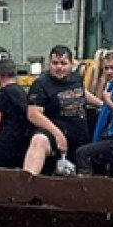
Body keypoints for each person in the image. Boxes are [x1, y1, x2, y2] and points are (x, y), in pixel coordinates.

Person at [23, 45, 89, 175]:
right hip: (52, 135)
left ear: (71, 63)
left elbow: (81, 93)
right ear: (49, 63)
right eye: (55, 63)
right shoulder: (41, 84)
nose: (59, 67)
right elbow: (33, 114)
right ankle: (26, 183)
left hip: (80, 139)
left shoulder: (77, 78)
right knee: (39, 140)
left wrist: (102, 104)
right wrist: (58, 135)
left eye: (63, 63)